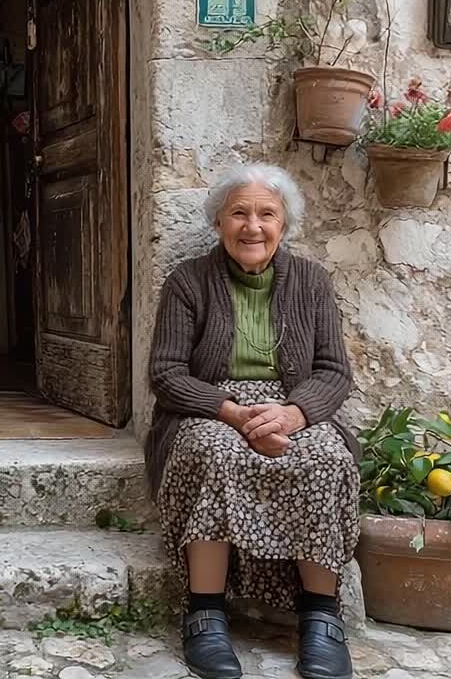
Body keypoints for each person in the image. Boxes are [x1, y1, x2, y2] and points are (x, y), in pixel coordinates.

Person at [146, 164, 360, 679]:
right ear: (219, 222)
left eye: (267, 213)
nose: (252, 226)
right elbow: (166, 372)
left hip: (292, 406)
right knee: (213, 453)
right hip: (209, 406)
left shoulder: (311, 281)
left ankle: (321, 618)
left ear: (284, 225)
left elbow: (334, 372)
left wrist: (290, 414)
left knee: (328, 459)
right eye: (239, 213)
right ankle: (206, 612)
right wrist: (235, 414)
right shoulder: (188, 281)